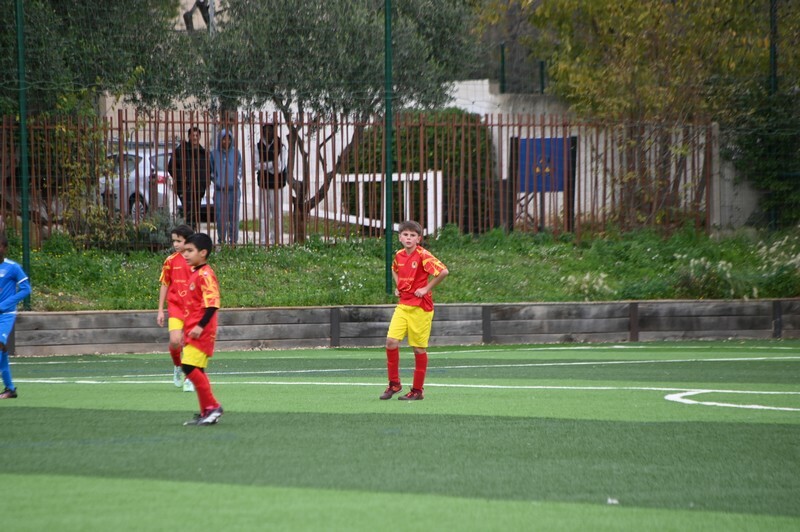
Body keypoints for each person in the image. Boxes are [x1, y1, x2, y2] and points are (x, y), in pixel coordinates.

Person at [380, 220, 448, 401]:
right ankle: (394, 384)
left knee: (418, 349)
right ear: (400, 237)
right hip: (403, 305)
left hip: (420, 308)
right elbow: (394, 269)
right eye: (405, 235)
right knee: (391, 342)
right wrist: (399, 285)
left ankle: (417, 390)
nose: (408, 238)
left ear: (418, 239)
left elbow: (443, 272)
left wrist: (426, 288)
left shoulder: (423, 255)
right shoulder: (399, 255)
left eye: (412, 235)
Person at [180, 232, 224, 425]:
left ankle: (213, 407)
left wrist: (199, 326)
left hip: (202, 331)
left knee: (188, 366)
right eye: (185, 251)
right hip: (193, 330)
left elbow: (213, 304)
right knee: (197, 369)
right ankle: (207, 410)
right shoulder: (195, 273)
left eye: (190, 250)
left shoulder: (205, 274)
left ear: (203, 253)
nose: (185, 254)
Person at [156, 224, 195, 391]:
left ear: (188, 240)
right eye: (174, 241)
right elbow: (165, 284)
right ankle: (178, 366)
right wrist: (160, 310)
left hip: (193, 308)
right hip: (175, 307)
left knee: (189, 343)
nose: (176, 244)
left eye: (179, 241)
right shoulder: (170, 261)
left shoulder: (195, 260)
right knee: (175, 341)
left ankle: (189, 377)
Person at [0, 233, 31, 399]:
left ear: (4, 248)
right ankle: (10, 389)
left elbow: (26, 289)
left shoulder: (13, 267)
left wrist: (5, 304)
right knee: (2, 352)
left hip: (6, 315)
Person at [168, 126, 210, 229]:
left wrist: (204, 184)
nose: (195, 137)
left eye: (197, 135)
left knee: (195, 212)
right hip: (185, 188)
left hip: (198, 189)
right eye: (193, 135)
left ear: (199, 137)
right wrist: (182, 178)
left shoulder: (202, 153)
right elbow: (171, 167)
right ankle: (189, 232)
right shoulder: (181, 151)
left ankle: (192, 231)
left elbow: (208, 170)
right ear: (189, 136)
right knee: (189, 212)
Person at [256, 123, 287, 245]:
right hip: (263, 184)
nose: (268, 133)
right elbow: (255, 165)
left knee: (277, 214)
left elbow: (280, 167)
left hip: (277, 185)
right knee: (263, 214)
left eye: (270, 130)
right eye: (266, 130)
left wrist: (264, 165)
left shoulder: (281, 146)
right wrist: (270, 164)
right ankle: (263, 241)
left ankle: (276, 241)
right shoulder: (258, 146)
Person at [210, 128, 242, 245]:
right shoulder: (213, 154)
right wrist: (217, 180)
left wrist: (236, 179)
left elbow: (240, 168)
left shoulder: (236, 153)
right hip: (220, 190)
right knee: (220, 217)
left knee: (234, 216)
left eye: (229, 139)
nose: (226, 142)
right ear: (220, 140)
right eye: (224, 139)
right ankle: (222, 241)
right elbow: (211, 171)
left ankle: (233, 241)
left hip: (234, 190)